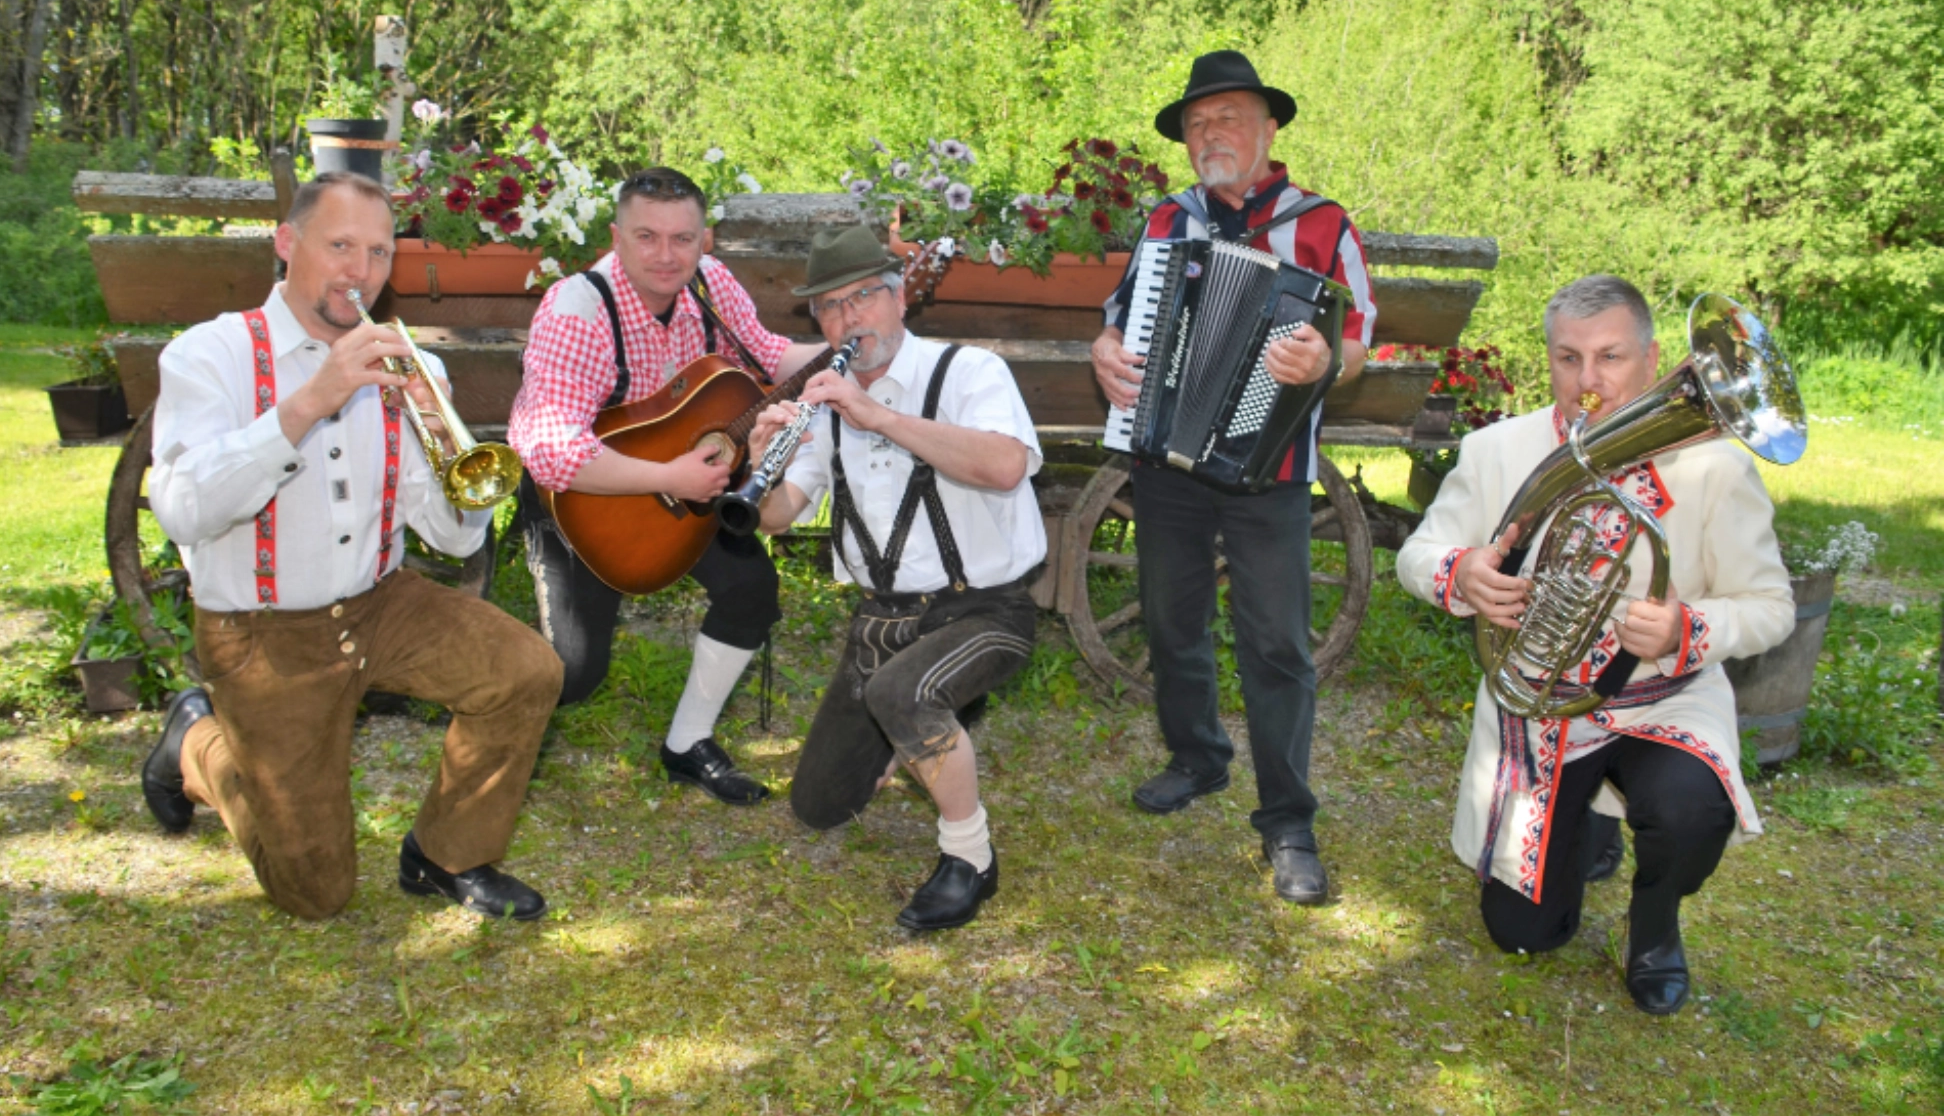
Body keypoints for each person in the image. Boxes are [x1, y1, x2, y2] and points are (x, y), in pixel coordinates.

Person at [137, 171, 563, 922]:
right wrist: (308, 402)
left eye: (378, 252)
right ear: (286, 243)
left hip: (382, 602)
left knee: (526, 670)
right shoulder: (210, 354)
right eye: (339, 246)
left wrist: (448, 456)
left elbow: (448, 535)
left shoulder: (411, 364)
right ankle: (198, 740)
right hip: (262, 632)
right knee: (315, 894)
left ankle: (446, 855)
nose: (360, 271)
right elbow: (183, 511)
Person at [1396, 274, 1792, 1014]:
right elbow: (1417, 554)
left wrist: (1685, 628)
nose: (1588, 380)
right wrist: (1462, 572)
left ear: (1652, 359)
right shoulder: (1496, 450)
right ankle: (1589, 820)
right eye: (1568, 358)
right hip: (1539, 710)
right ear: (1547, 358)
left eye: (1611, 356)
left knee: (1690, 811)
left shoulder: (1716, 464)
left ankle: (1655, 923)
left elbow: (1771, 607)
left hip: (1661, 700)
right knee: (1524, 935)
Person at [1089, 50, 1376, 905]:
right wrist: (1105, 351)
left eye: (1228, 117)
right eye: (1197, 122)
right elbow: (1118, 322)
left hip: (1270, 468)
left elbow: (1357, 339)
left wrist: (1326, 360)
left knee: (1277, 645)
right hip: (1167, 456)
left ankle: (1288, 819)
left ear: (1269, 127)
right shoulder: (1166, 220)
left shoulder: (1322, 223)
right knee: (1171, 619)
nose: (1210, 132)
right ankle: (1198, 755)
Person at [745, 224, 1046, 931]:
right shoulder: (825, 400)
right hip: (883, 621)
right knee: (820, 805)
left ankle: (969, 857)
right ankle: (917, 717)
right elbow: (777, 516)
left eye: (864, 297)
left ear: (899, 298)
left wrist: (877, 415)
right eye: (830, 306)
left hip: (985, 609)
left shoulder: (968, 372)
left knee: (902, 694)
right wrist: (759, 466)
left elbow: (1006, 466)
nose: (849, 318)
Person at [508, 167, 824, 805]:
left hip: (687, 482)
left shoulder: (711, 284)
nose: (665, 255)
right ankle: (478, 689)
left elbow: (767, 356)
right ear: (615, 237)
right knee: (575, 674)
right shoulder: (578, 308)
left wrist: (852, 349)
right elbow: (553, 452)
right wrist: (667, 476)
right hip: (584, 500)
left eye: (682, 239)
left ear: (705, 240)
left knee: (752, 590)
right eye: (646, 236)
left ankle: (688, 743)